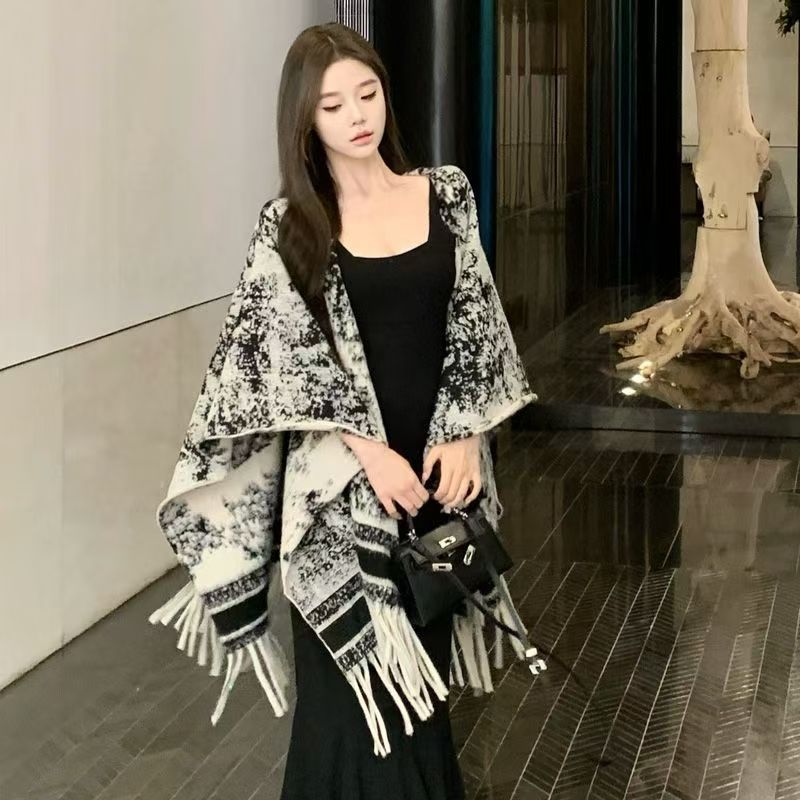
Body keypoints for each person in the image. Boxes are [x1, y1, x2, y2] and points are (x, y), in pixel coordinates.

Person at [148, 21, 537, 800]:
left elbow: (477, 323)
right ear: (305, 120)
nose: (357, 115)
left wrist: (465, 431)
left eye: (367, 93)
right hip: (338, 501)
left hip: (436, 490)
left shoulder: (446, 193)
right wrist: (369, 451)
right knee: (348, 717)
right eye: (332, 105)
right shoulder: (289, 227)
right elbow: (266, 370)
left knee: (419, 702)